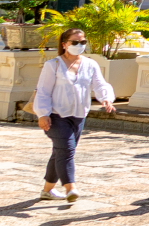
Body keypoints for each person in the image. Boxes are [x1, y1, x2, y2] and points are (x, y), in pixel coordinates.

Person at [32, 26, 115, 202]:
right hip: (56, 115)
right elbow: (43, 91)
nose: (79, 45)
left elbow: (100, 84)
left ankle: (47, 191)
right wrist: (42, 114)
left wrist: (106, 98)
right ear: (65, 44)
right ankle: (71, 188)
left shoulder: (90, 64)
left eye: (83, 42)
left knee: (60, 153)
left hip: (78, 116)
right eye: (75, 42)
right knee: (67, 151)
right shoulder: (53, 65)